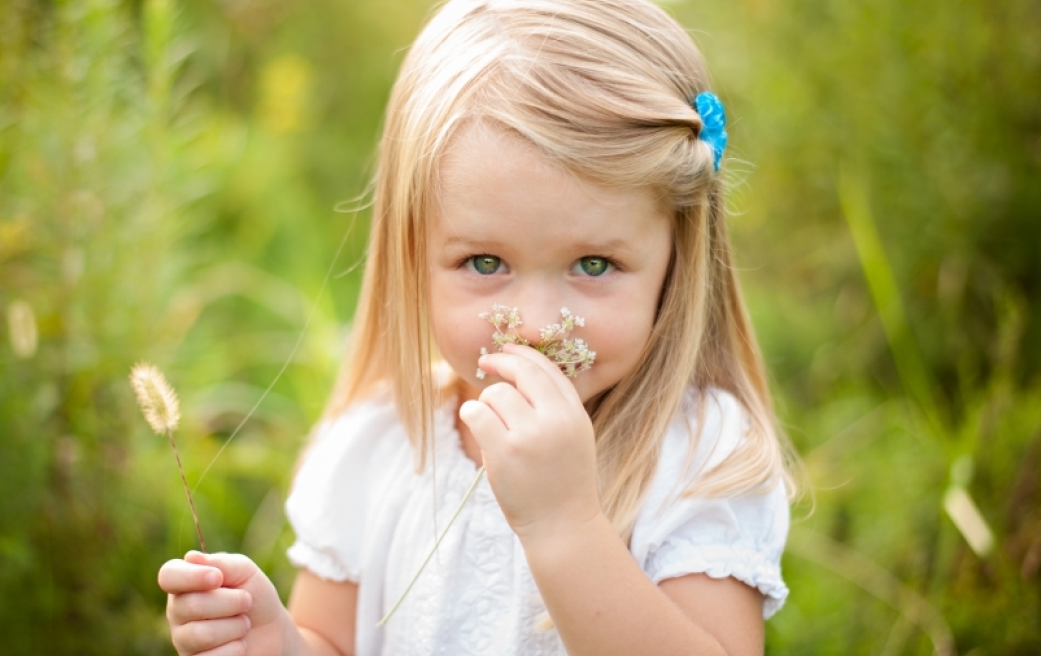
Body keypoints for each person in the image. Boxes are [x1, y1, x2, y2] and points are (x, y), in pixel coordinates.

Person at [158, 0, 798, 654]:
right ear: (412, 256)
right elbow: (331, 641)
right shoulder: (378, 447)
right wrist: (273, 641)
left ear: (678, 256)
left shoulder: (698, 457)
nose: (539, 325)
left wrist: (565, 525)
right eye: (485, 263)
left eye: (595, 263)